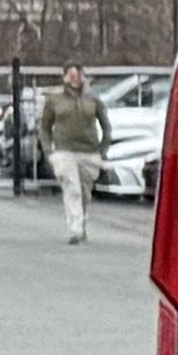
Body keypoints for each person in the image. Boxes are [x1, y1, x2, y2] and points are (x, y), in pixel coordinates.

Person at [37, 69, 106, 244]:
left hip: (89, 152)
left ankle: (81, 223)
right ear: (64, 77)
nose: (75, 79)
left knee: (84, 192)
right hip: (64, 152)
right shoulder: (54, 101)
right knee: (72, 188)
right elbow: (45, 127)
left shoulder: (93, 100)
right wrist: (48, 151)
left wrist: (103, 149)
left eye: (78, 75)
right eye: (71, 75)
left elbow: (106, 125)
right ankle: (75, 229)